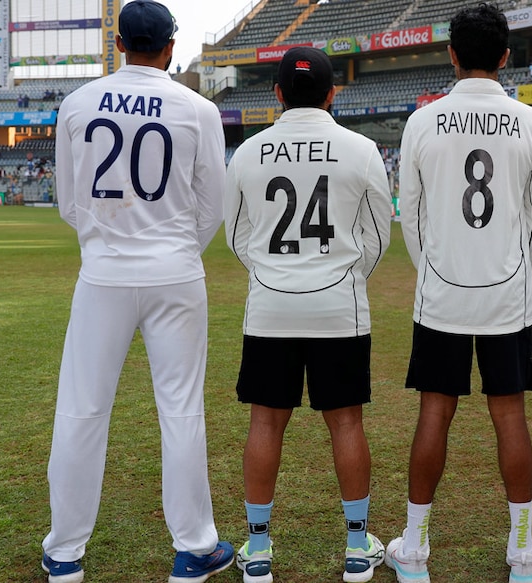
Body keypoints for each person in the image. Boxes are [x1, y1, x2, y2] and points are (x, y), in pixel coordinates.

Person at [40, 2, 235, 582]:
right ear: (170, 47)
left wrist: (108, 244)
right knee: (180, 409)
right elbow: (211, 208)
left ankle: (65, 553)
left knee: (81, 409)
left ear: (119, 43)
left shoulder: (78, 103)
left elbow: (70, 204)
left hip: (102, 273)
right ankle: (195, 547)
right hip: (176, 271)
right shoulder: (197, 108)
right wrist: (173, 250)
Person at [389, 4, 532, 583]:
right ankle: (522, 552)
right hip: (508, 294)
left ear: (452, 55)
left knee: (434, 411)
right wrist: (513, 271)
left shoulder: (421, 122)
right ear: (506, 56)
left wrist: (436, 270)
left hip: (442, 293)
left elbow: (409, 217)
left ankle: (414, 549)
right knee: (509, 414)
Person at [224, 46, 393, 583]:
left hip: (271, 305)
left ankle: (258, 548)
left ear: (276, 93)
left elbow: (238, 237)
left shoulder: (248, 153)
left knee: (265, 421)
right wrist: (340, 276)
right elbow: (377, 237)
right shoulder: (362, 150)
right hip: (338, 306)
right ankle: (356, 544)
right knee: (346, 420)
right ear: (331, 93)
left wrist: (276, 276)